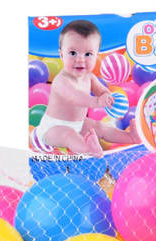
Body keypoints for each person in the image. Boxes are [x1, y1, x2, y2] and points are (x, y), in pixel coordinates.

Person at [36, 19, 140, 156]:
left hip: (78, 123)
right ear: (61, 54)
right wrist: (97, 102)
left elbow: (101, 91)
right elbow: (76, 97)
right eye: (73, 53)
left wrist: (108, 98)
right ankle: (88, 149)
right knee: (68, 135)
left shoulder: (89, 77)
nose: (80, 59)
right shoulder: (61, 81)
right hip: (53, 127)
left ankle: (130, 137)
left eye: (88, 54)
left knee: (99, 127)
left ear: (96, 56)